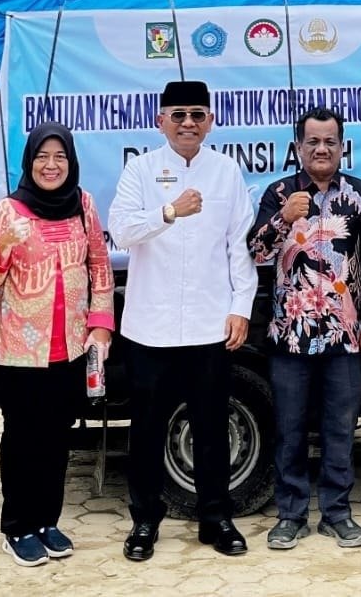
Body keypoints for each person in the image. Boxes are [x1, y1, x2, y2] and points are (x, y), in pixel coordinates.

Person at [108, 80, 257, 560]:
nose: (188, 123)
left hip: (209, 323)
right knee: (147, 427)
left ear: (210, 121)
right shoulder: (141, 168)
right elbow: (122, 231)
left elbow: (240, 246)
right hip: (149, 325)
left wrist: (240, 308)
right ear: (160, 120)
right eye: (178, 114)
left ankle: (216, 519)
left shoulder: (227, 171)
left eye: (197, 114)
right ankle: (145, 522)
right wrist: (170, 211)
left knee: (211, 427)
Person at [249, 108, 361, 550]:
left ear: (342, 145)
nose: (322, 149)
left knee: (340, 428)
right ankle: (290, 514)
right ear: (298, 146)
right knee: (289, 428)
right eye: (313, 141)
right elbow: (255, 253)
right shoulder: (279, 193)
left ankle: (336, 513)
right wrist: (283, 218)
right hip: (290, 337)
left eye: (330, 141)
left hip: (345, 337)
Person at [0, 122, 115, 567]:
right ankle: (17, 527)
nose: (51, 165)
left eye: (59, 157)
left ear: (71, 162)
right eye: (42, 157)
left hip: (71, 345)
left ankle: (47, 521)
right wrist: (2, 248)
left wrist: (100, 326)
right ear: (29, 162)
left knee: (57, 437)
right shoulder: (9, 210)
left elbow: (100, 264)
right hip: (18, 347)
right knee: (22, 437)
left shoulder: (84, 205)